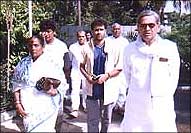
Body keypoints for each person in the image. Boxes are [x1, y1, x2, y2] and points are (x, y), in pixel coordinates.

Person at [121, 10, 180, 132]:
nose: (147, 29)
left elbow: (173, 79)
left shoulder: (169, 48)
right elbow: (126, 77)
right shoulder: (129, 49)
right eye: (143, 26)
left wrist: (161, 96)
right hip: (136, 106)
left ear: (158, 27)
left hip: (161, 105)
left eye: (151, 25)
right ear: (138, 28)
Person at [11, 34, 67, 132]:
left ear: (42, 46)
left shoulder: (51, 62)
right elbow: (16, 85)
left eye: (36, 45)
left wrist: (53, 89)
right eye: (30, 45)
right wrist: (17, 104)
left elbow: (61, 83)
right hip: (28, 103)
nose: (33, 48)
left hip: (47, 104)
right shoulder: (23, 63)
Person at [80, 19, 122, 132]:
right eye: (96, 30)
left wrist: (107, 75)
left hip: (108, 88)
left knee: (106, 120)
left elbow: (119, 67)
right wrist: (88, 77)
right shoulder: (86, 47)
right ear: (92, 32)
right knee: (92, 121)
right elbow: (81, 66)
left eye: (101, 29)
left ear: (105, 30)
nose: (99, 32)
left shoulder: (114, 46)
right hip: (92, 89)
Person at [39, 19, 69, 116]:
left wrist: (62, 83)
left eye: (48, 31)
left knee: (57, 113)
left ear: (54, 32)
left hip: (58, 85)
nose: (46, 34)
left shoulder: (61, 46)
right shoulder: (38, 46)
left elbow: (67, 66)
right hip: (41, 84)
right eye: (44, 31)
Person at [107, 22, 129, 114]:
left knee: (122, 88)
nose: (116, 31)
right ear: (112, 30)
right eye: (114, 29)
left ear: (121, 30)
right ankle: (110, 107)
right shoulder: (107, 40)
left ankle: (120, 106)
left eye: (118, 29)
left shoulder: (125, 42)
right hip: (110, 69)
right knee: (110, 88)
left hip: (122, 69)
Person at [68, 30, 87, 117]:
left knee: (86, 90)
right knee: (75, 90)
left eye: (83, 36)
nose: (81, 38)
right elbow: (70, 59)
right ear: (77, 37)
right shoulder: (72, 47)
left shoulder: (90, 46)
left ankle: (86, 106)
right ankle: (75, 109)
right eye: (79, 36)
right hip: (75, 71)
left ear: (85, 37)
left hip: (86, 72)